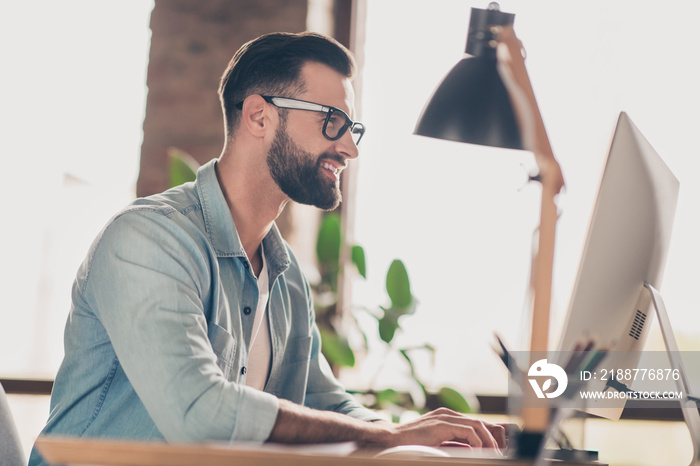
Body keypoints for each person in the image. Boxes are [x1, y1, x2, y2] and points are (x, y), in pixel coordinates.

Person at [29, 32, 505, 465]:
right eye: (333, 121)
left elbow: (323, 401)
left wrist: (408, 436)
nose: (350, 149)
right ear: (259, 116)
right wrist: (388, 438)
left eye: (352, 128)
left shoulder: (284, 274)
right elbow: (200, 412)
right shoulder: (148, 241)